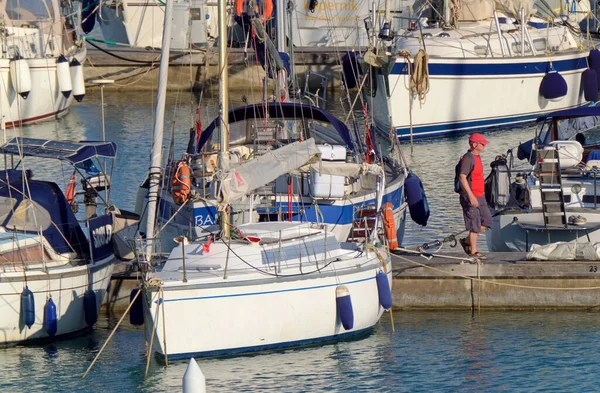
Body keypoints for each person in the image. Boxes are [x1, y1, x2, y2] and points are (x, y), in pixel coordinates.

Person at [457, 133, 493, 259]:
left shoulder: (477, 157)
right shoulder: (468, 158)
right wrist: (471, 196)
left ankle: (467, 241)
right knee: (474, 224)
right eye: (482, 143)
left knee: (487, 221)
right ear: (474, 144)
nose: (484, 145)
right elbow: (462, 177)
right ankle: (473, 251)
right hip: (470, 196)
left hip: (480, 195)